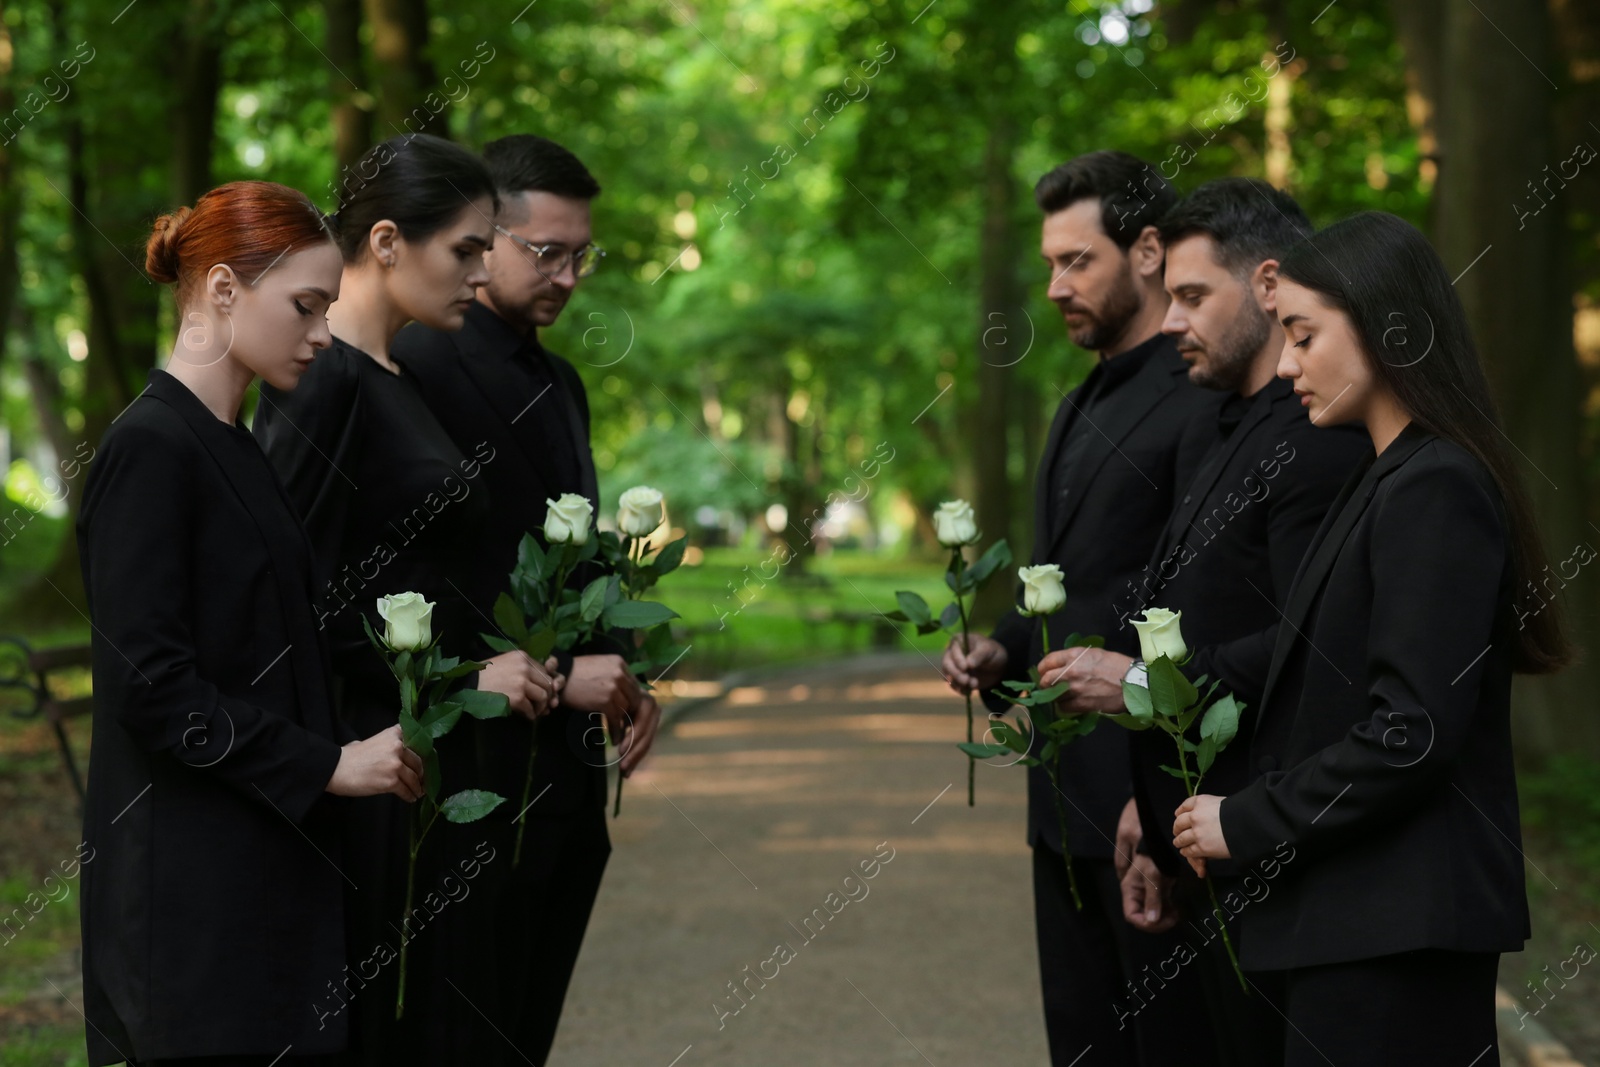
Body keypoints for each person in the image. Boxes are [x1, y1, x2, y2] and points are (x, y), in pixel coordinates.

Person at [1173, 211, 1571, 1066]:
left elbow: (1410, 731)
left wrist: (1246, 820)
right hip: (1360, 925)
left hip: (1398, 933)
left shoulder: (1435, 488)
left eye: (1304, 335)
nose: (1287, 365)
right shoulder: (1386, 478)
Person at [77, 180, 424, 1066]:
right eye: (306, 307)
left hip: (262, 874)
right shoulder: (149, 448)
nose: (321, 334)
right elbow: (150, 690)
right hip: (191, 903)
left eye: (329, 310)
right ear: (224, 290)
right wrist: (328, 765)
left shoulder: (233, 443)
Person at [1046, 177, 1367, 1066]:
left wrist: (1140, 685)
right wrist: (1150, 809)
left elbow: (1315, 652)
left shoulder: (1318, 439)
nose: (1172, 320)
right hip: (1198, 834)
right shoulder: (1219, 424)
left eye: (1192, 297)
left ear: (1268, 286)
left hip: (1272, 847)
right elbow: (1184, 613)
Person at [254, 135, 557, 1065]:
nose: (481, 272)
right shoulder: (326, 381)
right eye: (466, 249)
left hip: (431, 752)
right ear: (386, 241)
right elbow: (287, 600)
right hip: (376, 766)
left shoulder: (396, 374)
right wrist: (465, 670)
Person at [941, 150, 1216, 1066]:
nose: (1055, 286)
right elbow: (1069, 579)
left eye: (1076, 262)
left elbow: (1205, 594)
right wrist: (1002, 649)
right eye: (1050, 263)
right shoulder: (1076, 401)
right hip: (1059, 800)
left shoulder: (1201, 397)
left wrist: (1167, 800)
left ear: (1146, 251)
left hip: (1150, 800)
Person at [393, 133, 660, 1064]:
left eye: (581, 253)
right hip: (466, 774)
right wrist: (552, 668)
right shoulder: (413, 365)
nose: (568, 275)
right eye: (545, 251)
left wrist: (629, 672)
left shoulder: (562, 382)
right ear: (483, 237)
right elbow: (403, 574)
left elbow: (574, 561)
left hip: (564, 786)